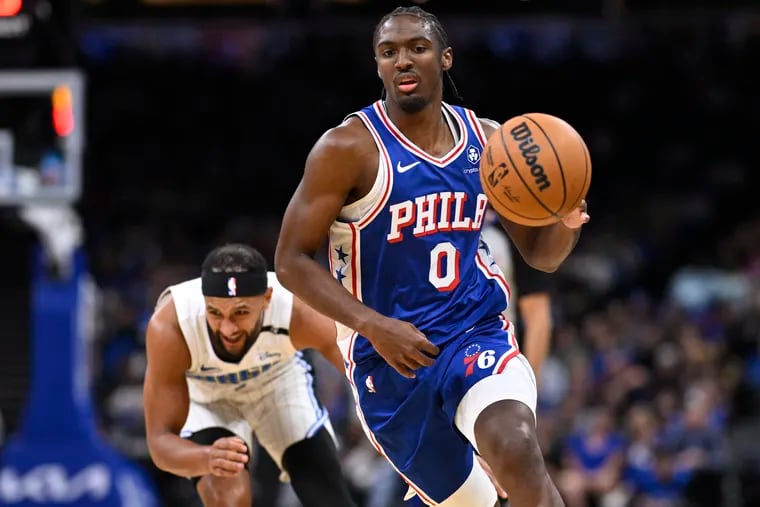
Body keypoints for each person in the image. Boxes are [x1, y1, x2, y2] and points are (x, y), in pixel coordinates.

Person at [275, 6, 589, 507]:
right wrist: (373, 325)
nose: (402, 60)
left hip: (474, 331)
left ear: (444, 59)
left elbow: (542, 257)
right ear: (377, 65)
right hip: (387, 360)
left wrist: (564, 219)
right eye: (388, 52)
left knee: (517, 447)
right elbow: (290, 259)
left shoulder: (488, 141)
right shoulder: (347, 148)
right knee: (478, 502)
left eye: (416, 48)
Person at [142, 243, 357, 507]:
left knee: (325, 491)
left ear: (266, 299)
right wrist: (207, 456)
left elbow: (359, 369)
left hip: (277, 381)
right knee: (227, 492)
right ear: (204, 302)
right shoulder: (170, 326)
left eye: (241, 312)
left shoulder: (296, 309)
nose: (228, 327)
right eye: (215, 313)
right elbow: (160, 442)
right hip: (207, 394)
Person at [481, 207, 555, 379]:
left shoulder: (515, 221)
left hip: (496, 359)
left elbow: (537, 313)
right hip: (435, 352)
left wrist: (530, 386)